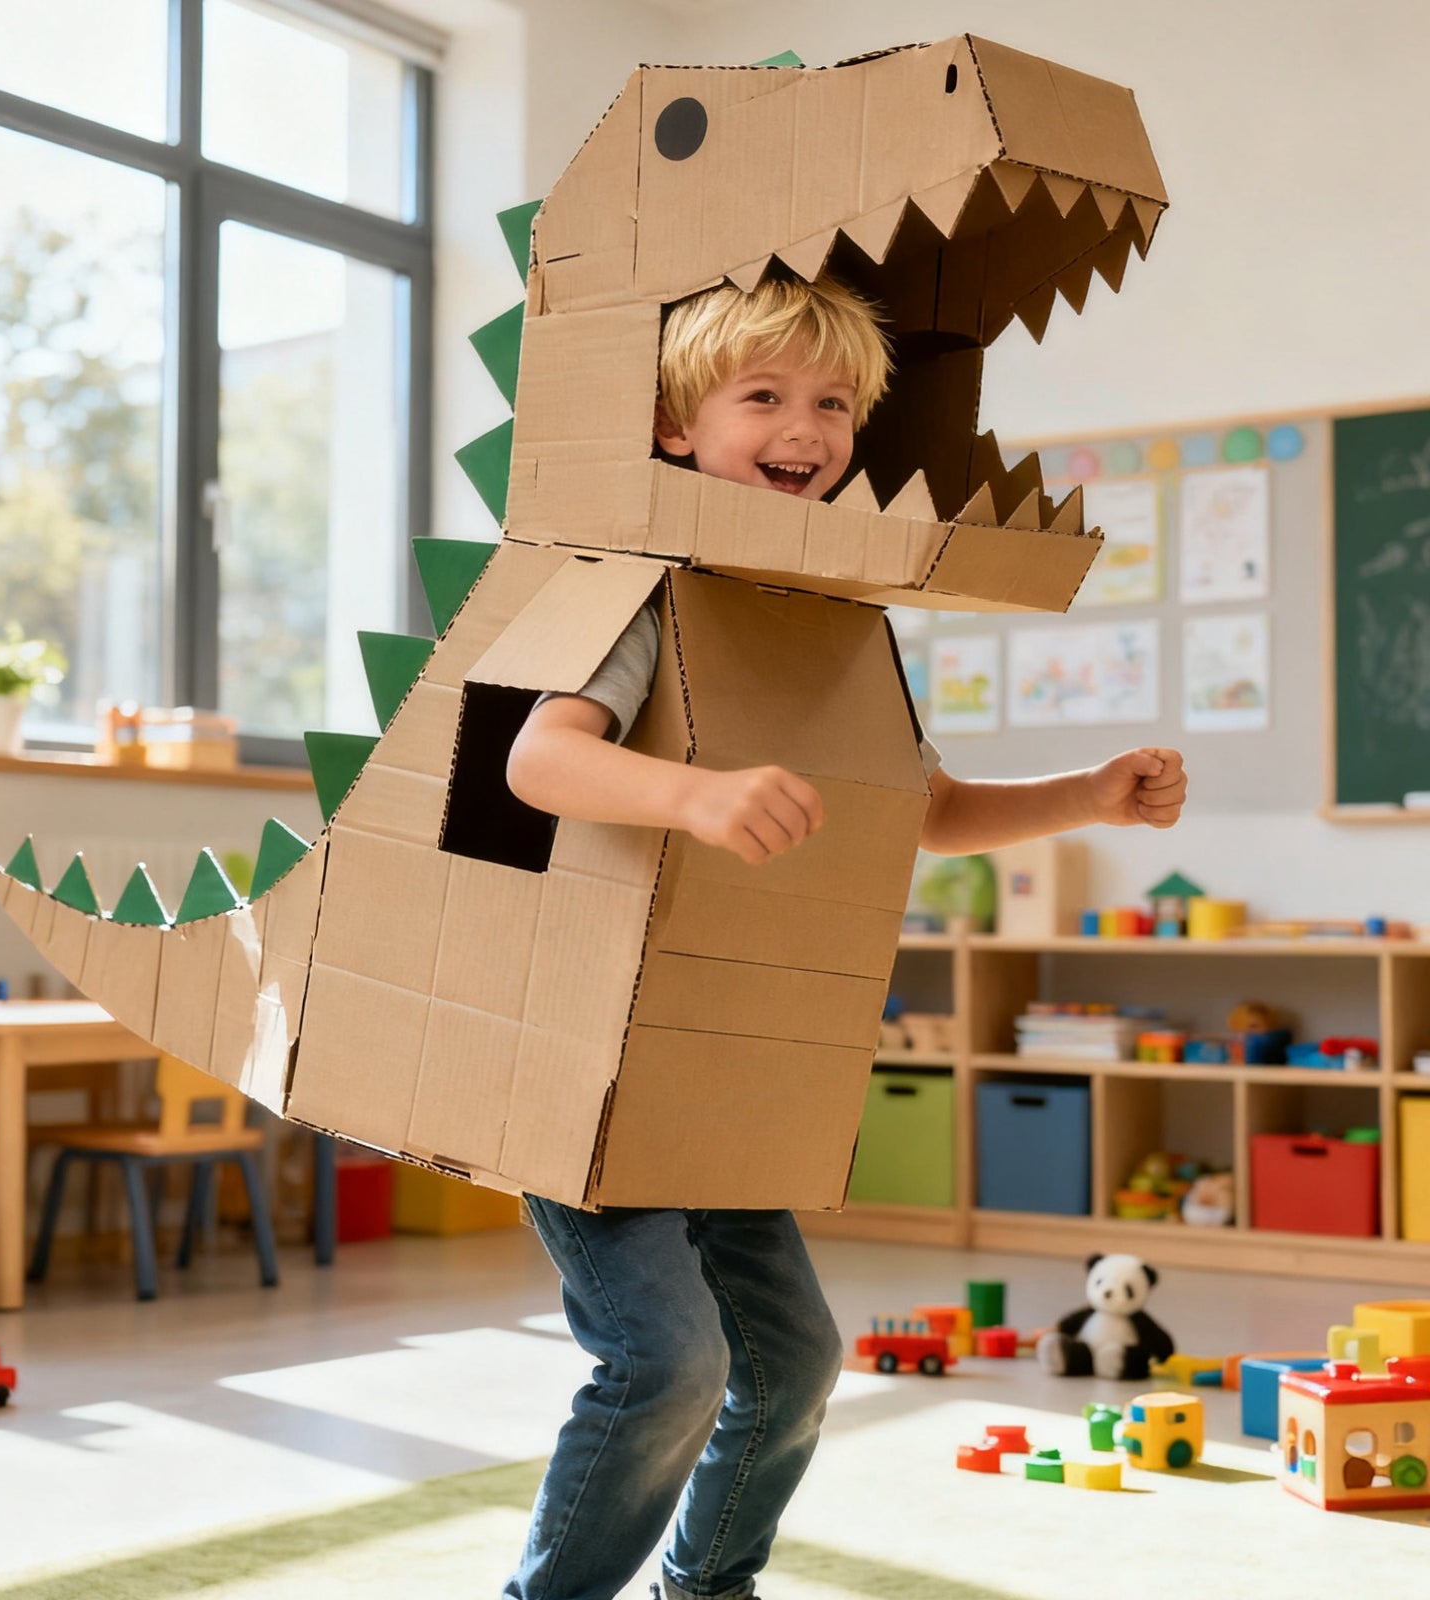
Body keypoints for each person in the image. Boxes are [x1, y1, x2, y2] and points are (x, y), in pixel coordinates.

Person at [501, 272, 1188, 1600]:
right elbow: (541, 758)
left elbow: (924, 810)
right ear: (674, 428)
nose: (803, 426)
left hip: (728, 1060)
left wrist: (1088, 795)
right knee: (668, 1360)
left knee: (798, 1359)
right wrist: (694, 794)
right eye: (761, 396)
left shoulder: (840, 623)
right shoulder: (641, 595)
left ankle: (710, 1586)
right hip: (595, 1059)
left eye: (832, 404)